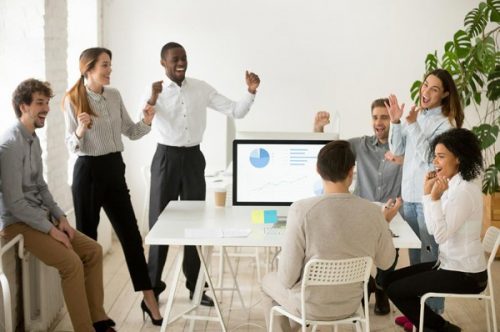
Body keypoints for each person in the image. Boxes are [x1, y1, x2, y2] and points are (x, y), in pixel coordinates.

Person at [145, 41, 260, 306]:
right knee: (159, 226)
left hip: (194, 158)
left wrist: (251, 92)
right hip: (166, 158)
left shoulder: (201, 88)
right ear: (164, 63)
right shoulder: (155, 91)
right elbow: (145, 119)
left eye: (183, 57)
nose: (181, 62)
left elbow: (235, 110)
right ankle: (152, 289)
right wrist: (151, 99)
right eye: (175, 59)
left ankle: (196, 288)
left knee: (196, 225)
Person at [0, 79, 116, 332]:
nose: (46, 109)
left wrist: (60, 217)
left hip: (40, 217)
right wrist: (51, 230)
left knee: (93, 251)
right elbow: (15, 202)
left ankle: (99, 321)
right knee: (71, 264)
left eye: (47, 102)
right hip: (17, 224)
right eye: (39, 103)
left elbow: (40, 186)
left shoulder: (33, 139)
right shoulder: (9, 145)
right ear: (23, 107)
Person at [62, 48, 162, 325]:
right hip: (87, 174)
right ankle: (94, 312)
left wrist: (147, 120)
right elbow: (71, 146)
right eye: (105, 65)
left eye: (110, 65)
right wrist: (81, 130)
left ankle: (149, 300)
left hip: (114, 170)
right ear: (88, 68)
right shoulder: (72, 100)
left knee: (131, 237)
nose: (110, 70)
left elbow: (131, 132)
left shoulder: (114, 95)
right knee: (89, 243)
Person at [261, 140, 400, 332]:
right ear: (352, 172)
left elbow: (287, 278)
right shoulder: (373, 212)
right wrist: (384, 223)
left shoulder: (301, 210)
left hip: (309, 305)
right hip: (350, 305)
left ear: (317, 170)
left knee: (268, 283)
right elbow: (386, 262)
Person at [384, 128, 487, 332]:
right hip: (449, 264)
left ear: (458, 158)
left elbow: (439, 236)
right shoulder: (452, 186)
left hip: (466, 275)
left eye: (441, 157)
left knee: (395, 290)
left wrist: (434, 198)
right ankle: (427, 323)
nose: (435, 162)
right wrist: (427, 194)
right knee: (389, 280)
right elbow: (433, 229)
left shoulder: (464, 191)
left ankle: (439, 327)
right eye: (435, 157)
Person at [386, 68, 464, 327]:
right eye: (425, 85)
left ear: (444, 95)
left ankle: (434, 318)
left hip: (428, 200)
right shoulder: (415, 117)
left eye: (434, 88)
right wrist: (396, 122)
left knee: (430, 264)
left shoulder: (445, 124)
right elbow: (397, 149)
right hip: (409, 198)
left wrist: (411, 125)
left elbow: (431, 158)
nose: (426, 92)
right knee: (416, 263)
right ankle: (417, 315)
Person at [313, 98, 403, 315]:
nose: (379, 122)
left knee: (390, 251)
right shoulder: (360, 145)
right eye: (375, 117)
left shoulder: (402, 149)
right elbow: (330, 154)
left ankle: (380, 287)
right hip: (360, 211)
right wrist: (319, 129)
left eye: (384, 117)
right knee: (354, 252)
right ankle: (364, 285)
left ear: (392, 120)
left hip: (392, 213)